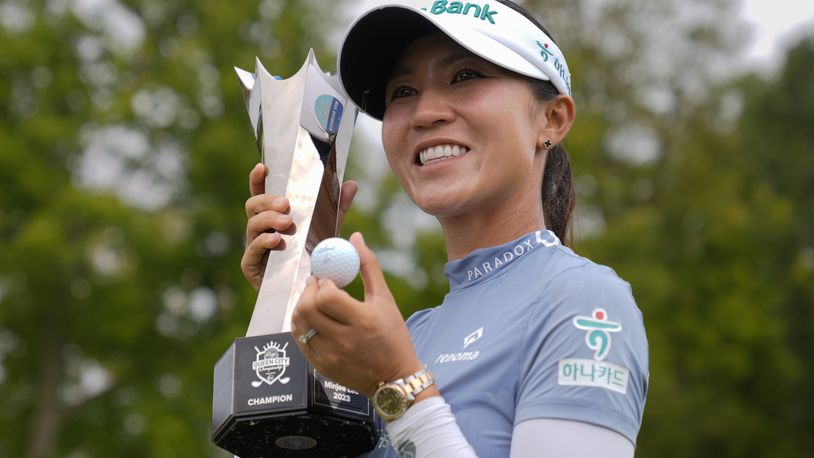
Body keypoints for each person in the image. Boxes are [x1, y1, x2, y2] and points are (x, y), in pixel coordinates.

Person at [241, 0, 648, 456]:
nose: (425, 113)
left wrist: (398, 383)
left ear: (551, 118)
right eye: (403, 91)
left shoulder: (583, 300)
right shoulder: (407, 336)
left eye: (465, 76)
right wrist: (288, 302)